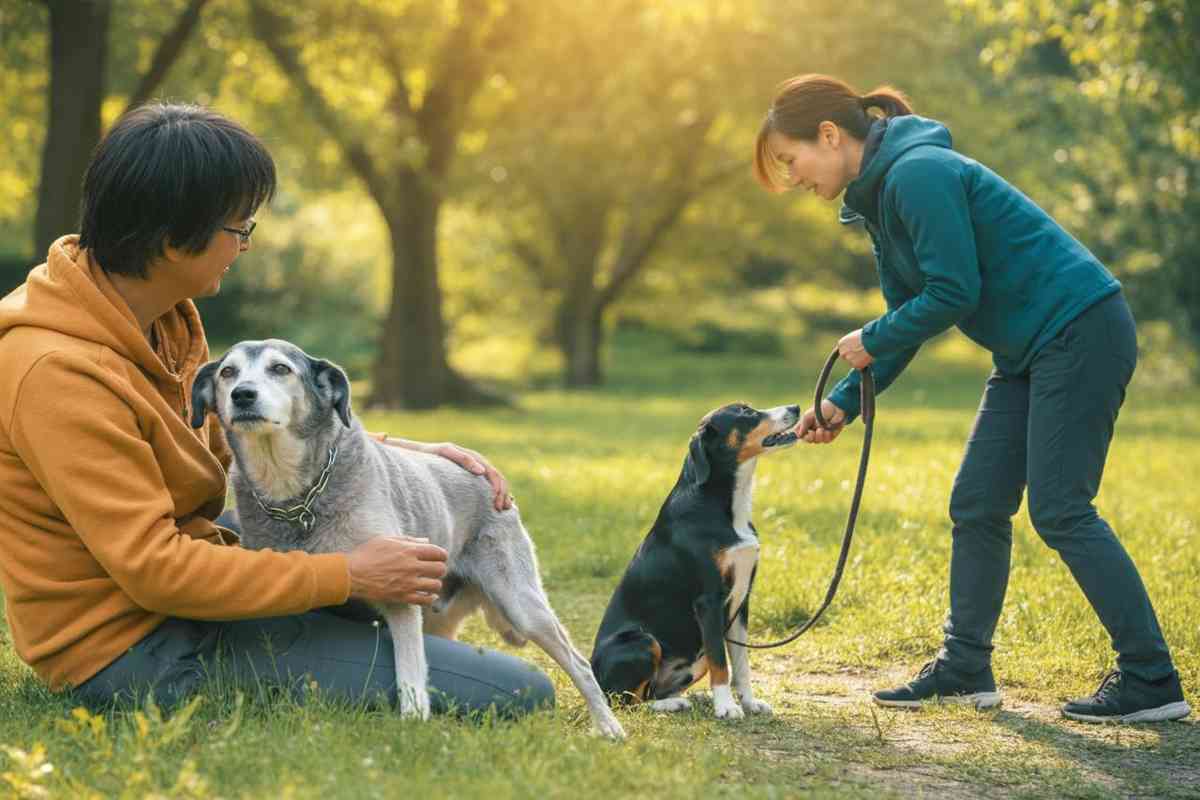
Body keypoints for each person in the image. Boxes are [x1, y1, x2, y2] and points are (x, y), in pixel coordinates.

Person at [0, 103, 553, 716]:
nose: (244, 244)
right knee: (517, 691)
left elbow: (240, 446)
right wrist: (349, 575)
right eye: (238, 228)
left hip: (194, 574)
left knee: (335, 525)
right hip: (134, 646)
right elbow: (153, 569)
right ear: (170, 232)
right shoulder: (55, 371)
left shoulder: (163, 320)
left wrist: (402, 454)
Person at [754, 74, 1190, 723]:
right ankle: (965, 668)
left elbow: (953, 292)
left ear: (829, 134)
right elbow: (912, 309)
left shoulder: (917, 175)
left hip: (1079, 329)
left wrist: (872, 337)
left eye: (791, 162)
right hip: (1028, 349)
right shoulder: (882, 195)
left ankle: (1151, 678)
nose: (794, 179)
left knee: (1061, 508)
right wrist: (845, 400)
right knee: (978, 501)